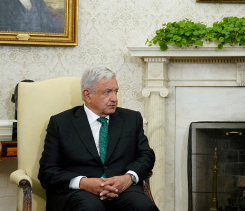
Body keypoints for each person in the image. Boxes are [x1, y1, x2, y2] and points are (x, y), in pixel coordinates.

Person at [38, 67, 158, 211]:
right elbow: (47, 171)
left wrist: (128, 178)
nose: (114, 99)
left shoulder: (131, 119)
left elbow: (146, 155)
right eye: (107, 92)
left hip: (122, 189)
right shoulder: (61, 123)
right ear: (87, 95)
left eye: (116, 91)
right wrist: (83, 183)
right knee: (90, 208)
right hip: (78, 193)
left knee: (143, 207)